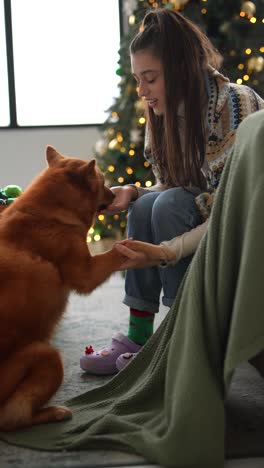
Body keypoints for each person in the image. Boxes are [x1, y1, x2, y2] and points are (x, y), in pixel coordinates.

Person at [80, 7, 264, 375]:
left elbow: (232, 206)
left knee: (165, 206)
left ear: (182, 71)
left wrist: (166, 251)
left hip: (246, 224)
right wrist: (133, 192)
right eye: (137, 79)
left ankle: (187, 338)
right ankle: (140, 335)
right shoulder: (164, 113)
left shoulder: (234, 104)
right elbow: (177, 182)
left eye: (150, 78)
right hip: (205, 216)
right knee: (146, 205)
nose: (142, 91)